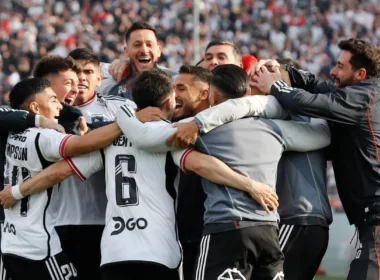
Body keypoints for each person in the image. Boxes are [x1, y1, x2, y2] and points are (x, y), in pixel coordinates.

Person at [0, 70, 278, 280]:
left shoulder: (108, 139)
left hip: (113, 252)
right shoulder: (170, 137)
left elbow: (60, 172)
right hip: (158, 252)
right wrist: (250, 185)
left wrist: (17, 191)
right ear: (168, 101)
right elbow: (202, 165)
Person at [115, 64, 331, 280]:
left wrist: (124, 114)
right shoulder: (273, 128)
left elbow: (144, 137)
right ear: (246, 93)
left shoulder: (197, 129)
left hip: (227, 229)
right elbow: (322, 136)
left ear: (212, 96)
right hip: (268, 231)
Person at [250, 38, 380, 280]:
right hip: (369, 220)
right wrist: (284, 69)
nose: (333, 71)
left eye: (341, 66)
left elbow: (310, 101)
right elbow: (316, 86)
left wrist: (276, 85)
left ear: (361, 73)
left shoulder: (365, 96)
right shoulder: (357, 93)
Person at [1, 78, 123, 280]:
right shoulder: (44, 138)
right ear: (34, 107)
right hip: (39, 248)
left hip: (11, 243)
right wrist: (129, 122)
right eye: (53, 100)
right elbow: (85, 145)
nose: (60, 106)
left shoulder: (11, 133)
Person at [50, 48, 134, 280]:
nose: (82, 77)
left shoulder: (119, 108)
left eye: (88, 71)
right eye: (76, 72)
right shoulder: (49, 109)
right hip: (61, 218)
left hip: (109, 219)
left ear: (100, 78)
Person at [97, 22, 176, 99]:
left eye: (149, 45)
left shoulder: (175, 80)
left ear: (159, 51)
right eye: (137, 45)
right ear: (126, 51)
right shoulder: (110, 87)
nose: (144, 50)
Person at [33, 55, 86, 135]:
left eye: (77, 84)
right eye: (68, 83)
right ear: (45, 86)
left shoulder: (77, 122)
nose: (76, 90)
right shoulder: (21, 123)